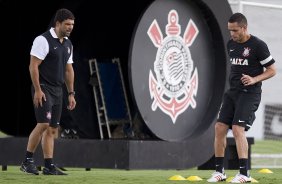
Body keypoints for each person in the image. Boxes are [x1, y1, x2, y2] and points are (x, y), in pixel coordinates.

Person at [207, 13, 276, 183]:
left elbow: (272, 70)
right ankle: (219, 172)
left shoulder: (258, 45)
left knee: (238, 129)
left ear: (244, 28)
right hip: (232, 93)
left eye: (235, 30)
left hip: (250, 93)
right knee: (219, 127)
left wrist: (254, 79)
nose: (232, 34)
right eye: (230, 30)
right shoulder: (231, 44)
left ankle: (244, 174)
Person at [20, 8, 76, 175]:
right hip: (43, 88)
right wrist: (37, 90)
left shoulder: (68, 44)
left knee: (53, 129)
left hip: (58, 90)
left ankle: (49, 166)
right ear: (57, 23)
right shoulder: (42, 40)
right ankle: (27, 161)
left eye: (72, 25)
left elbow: (68, 70)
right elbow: (33, 66)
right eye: (67, 24)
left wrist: (71, 93)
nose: (70, 27)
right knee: (43, 123)